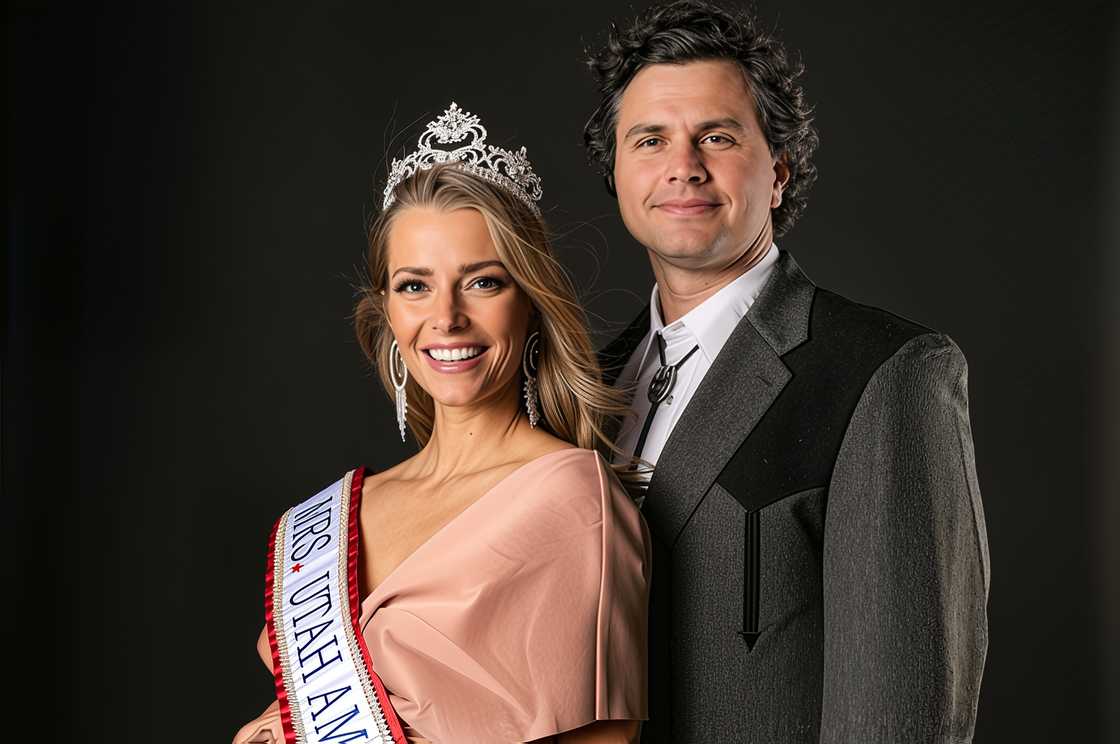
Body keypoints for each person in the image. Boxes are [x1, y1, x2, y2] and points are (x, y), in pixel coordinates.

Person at [585, 2, 991, 742]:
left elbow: (898, 720)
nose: (683, 165)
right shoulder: (581, 383)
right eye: (651, 139)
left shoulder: (885, 374)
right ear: (614, 172)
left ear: (780, 170)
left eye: (717, 135)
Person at [232, 103, 651, 744]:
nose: (446, 317)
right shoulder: (339, 511)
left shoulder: (572, 500)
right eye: (414, 286)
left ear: (532, 303)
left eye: (482, 283)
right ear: (387, 312)